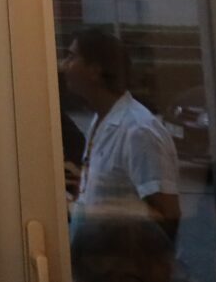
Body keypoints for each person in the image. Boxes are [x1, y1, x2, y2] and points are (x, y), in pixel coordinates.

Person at [61, 28, 180, 252]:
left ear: (95, 71)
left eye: (71, 57)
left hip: (125, 266)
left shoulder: (138, 131)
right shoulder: (100, 118)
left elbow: (167, 216)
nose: (64, 65)